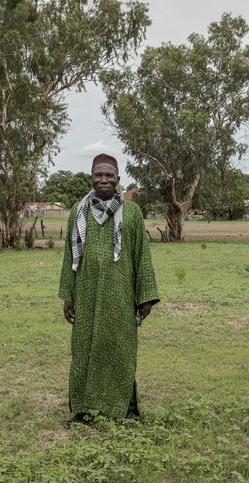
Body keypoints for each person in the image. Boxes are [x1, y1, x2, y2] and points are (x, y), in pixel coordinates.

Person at [58, 153, 160, 422]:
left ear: (118, 179)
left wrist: (145, 297)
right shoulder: (77, 212)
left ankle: (127, 409)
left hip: (121, 295)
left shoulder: (132, 213)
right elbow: (70, 255)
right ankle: (81, 410)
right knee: (83, 350)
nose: (103, 180)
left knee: (121, 350)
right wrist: (68, 296)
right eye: (98, 175)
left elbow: (142, 255)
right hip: (86, 294)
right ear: (91, 178)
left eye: (109, 175)